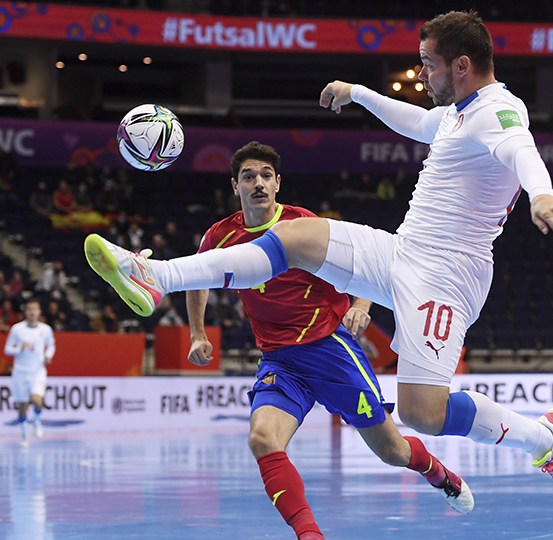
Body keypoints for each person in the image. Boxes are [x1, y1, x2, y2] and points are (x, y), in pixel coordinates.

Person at [84, 10, 553, 505]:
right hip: (403, 251)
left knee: (422, 414)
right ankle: (154, 274)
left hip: (447, 278)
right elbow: (422, 122)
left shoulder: (497, 110)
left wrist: (541, 194)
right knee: (294, 236)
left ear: (461, 65)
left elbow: (520, 149)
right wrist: (360, 93)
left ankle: (545, 440)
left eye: (428, 64)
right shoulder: (459, 112)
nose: (421, 75)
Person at [185, 142, 473, 540]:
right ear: (236, 186)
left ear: (278, 183)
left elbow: (369, 264)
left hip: (331, 349)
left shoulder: (304, 225)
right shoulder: (220, 236)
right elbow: (197, 278)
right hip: (279, 360)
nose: (258, 183)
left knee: (393, 452)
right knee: (262, 439)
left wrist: (361, 305)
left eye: (266, 176)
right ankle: (309, 534)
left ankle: (435, 471)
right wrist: (197, 334)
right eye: (249, 177)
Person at [3, 300, 55, 444]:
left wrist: (48, 355)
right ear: (25, 312)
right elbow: (7, 349)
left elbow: (51, 345)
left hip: (37, 371)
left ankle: (37, 421)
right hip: (20, 372)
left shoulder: (45, 329)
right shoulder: (17, 329)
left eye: (35, 309)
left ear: (39, 312)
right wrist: (19, 348)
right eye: (29, 309)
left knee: (37, 400)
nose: (32, 312)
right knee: (22, 407)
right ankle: (24, 434)